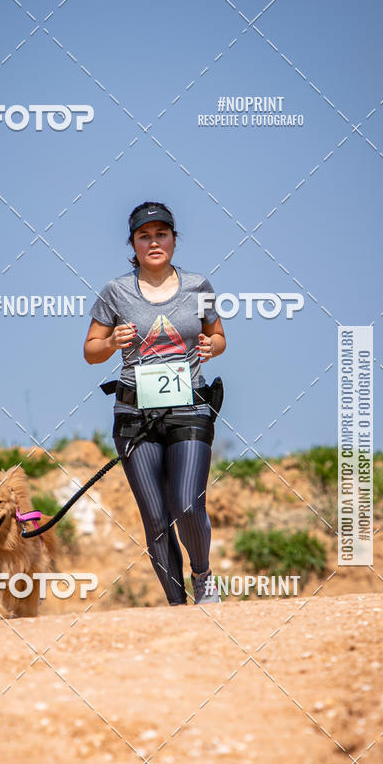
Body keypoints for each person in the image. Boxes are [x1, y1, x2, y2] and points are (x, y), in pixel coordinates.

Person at [83, 201, 227, 606]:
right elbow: (91, 351)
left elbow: (218, 337)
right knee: (156, 519)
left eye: (161, 234)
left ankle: (202, 577)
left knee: (186, 504)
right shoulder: (116, 292)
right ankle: (178, 608)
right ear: (133, 243)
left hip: (190, 409)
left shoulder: (199, 287)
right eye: (144, 236)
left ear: (175, 240)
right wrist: (111, 342)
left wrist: (211, 347)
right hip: (134, 416)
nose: (154, 242)